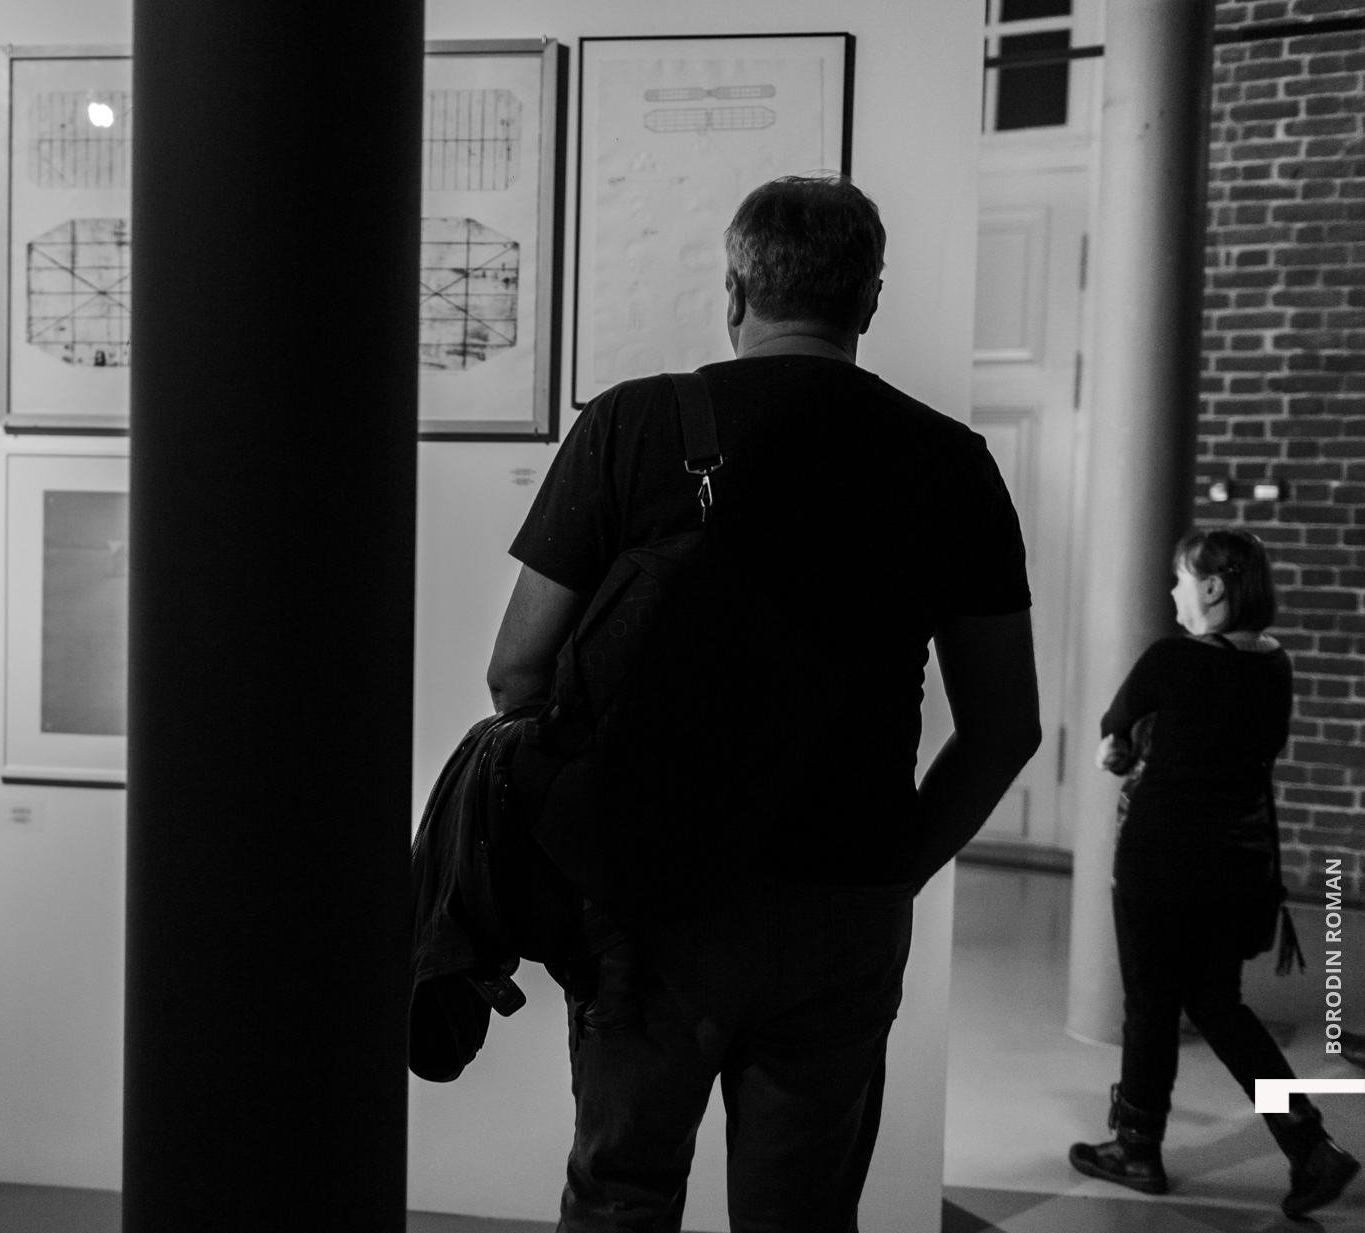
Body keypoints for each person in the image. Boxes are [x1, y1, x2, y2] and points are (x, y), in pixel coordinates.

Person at [486, 175, 1041, 1233]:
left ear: (734, 290)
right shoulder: (950, 463)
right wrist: (891, 868)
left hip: (650, 896)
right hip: (844, 897)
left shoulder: (633, 424)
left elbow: (516, 672)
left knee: (618, 1196)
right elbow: (1005, 726)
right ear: (867, 298)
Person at [1069, 529, 1360, 1218]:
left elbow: (1114, 725)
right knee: (1218, 1004)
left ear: (1212, 586)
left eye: (1180, 576)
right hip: (1236, 865)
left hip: (1161, 861)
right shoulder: (1275, 664)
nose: (1173, 589)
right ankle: (1309, 1143)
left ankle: (1136, 1147)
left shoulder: (1170, 658)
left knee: (1150, 1005)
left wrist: (1122, 747)